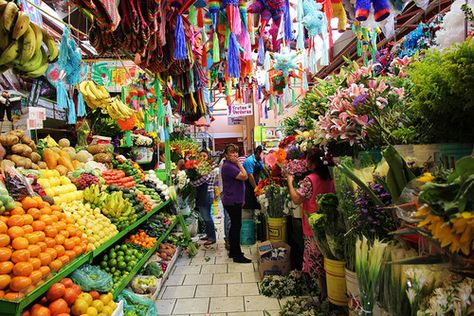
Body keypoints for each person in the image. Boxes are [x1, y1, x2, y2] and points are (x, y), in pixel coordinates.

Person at [286, 147, 336, 297]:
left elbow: (296, 199)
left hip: (313, 225)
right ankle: (329, 293)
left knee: (317, 262)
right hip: (330, 223)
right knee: (328, 260)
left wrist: (290, 181)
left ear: (314, 163)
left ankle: (323, 294)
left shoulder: (310, 180)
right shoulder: (331, 178)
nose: (306, 163)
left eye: (308, 160)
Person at [221, 143, 251, 263]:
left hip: (235, 199)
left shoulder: (230, 165)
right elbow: (245, 176)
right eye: (231, 153)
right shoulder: (229, 166)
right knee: (236, 226)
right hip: (232, 200)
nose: (234, 155)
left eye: (236, 152)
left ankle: (234, 251)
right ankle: (237, 255)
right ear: (226, 155)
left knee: (235, 226)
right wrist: (239, 163)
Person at [190, 149, 217, 246]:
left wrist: (190, 183)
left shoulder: (209, 169)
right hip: (203, 194)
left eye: (204, 156)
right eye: (200, 156)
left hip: (206, 195)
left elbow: (201, 180)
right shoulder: (201, 168)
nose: (202, 158)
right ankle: (208, 234)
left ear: (208, 157)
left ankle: (212, 237)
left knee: (207, 217)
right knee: (205, 216)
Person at [243, 146, 265, 214]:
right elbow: (250, 176)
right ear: (258, 152)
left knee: (257, 206)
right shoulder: (249, 161)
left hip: (256, 184)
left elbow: (263, 169)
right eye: (262, 153)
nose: (263, 155)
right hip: (249, 186)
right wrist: (256, 188)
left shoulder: (259, 160)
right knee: (250, 206)